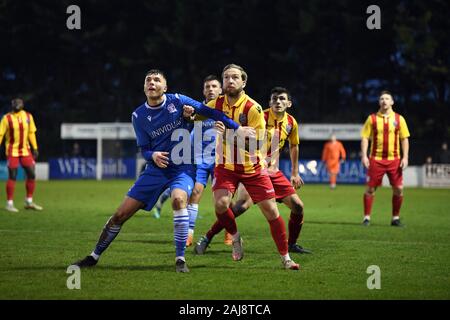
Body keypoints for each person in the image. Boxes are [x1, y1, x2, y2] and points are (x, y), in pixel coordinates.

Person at [70, 69, 254, 273]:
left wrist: (236, 128)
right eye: (148, 80)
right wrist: (153, 156)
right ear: (144, 87)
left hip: (183, 167)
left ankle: (180, 259)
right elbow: (144, 149)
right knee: (120, 215)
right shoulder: (138, 116)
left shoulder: (178, 100)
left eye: (157, 80)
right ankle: (93, 256)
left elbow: (212, 113)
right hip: (155, 170)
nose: (152, 82)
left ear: (165, 87)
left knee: (178, 200)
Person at [185, 64, 301, 270]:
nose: (230, 81)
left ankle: (286, 258)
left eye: (235, 77)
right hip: (226, 166)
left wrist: (230, 134)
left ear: (243, 82)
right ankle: (236, 238)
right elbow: (198, 115)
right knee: (221, 204)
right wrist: (189, 114)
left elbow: (258, 145)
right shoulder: (216, 103)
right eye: (226, 77)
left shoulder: (253, 109)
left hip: (252, 168)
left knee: (272, 212)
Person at [185, 75, 234, 246]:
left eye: (214, 86)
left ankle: (229, 231)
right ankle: (189, 234)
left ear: (221, 90)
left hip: (222, 161)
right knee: (195, 193)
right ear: (203, 90)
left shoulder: (227, 109)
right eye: (207, 87)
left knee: (223, 200)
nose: (211, 89)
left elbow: (237, 133)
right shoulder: (196, 110)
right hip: (200, 160)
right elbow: (188, 131)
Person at [361, 90, 410, 227]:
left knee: (399, 189)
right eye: (382, 98)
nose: (384, 101)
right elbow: (365, 138)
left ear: (392, 102)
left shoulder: (399, 119)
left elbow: (404, 139)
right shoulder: (372, 118)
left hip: (394, 159)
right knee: (370, 189)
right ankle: (366, 218)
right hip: (375, 159)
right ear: (379, 102)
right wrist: (364, 155)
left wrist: (405, 157)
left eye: (387, 98)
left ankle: (395, 218)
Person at [0, 98, 43, 212]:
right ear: (12, 105)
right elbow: (0, 134)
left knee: (32, 174)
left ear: (23, 105)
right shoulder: (6, 118)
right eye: (15, 103)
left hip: (25, 150)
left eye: (19, 103)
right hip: (12, 151)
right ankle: (9, 203)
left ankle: (29, 201)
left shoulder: (28, 117)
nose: (17, 105)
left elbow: (31, 133)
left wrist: (35, 147)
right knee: (12, 176)